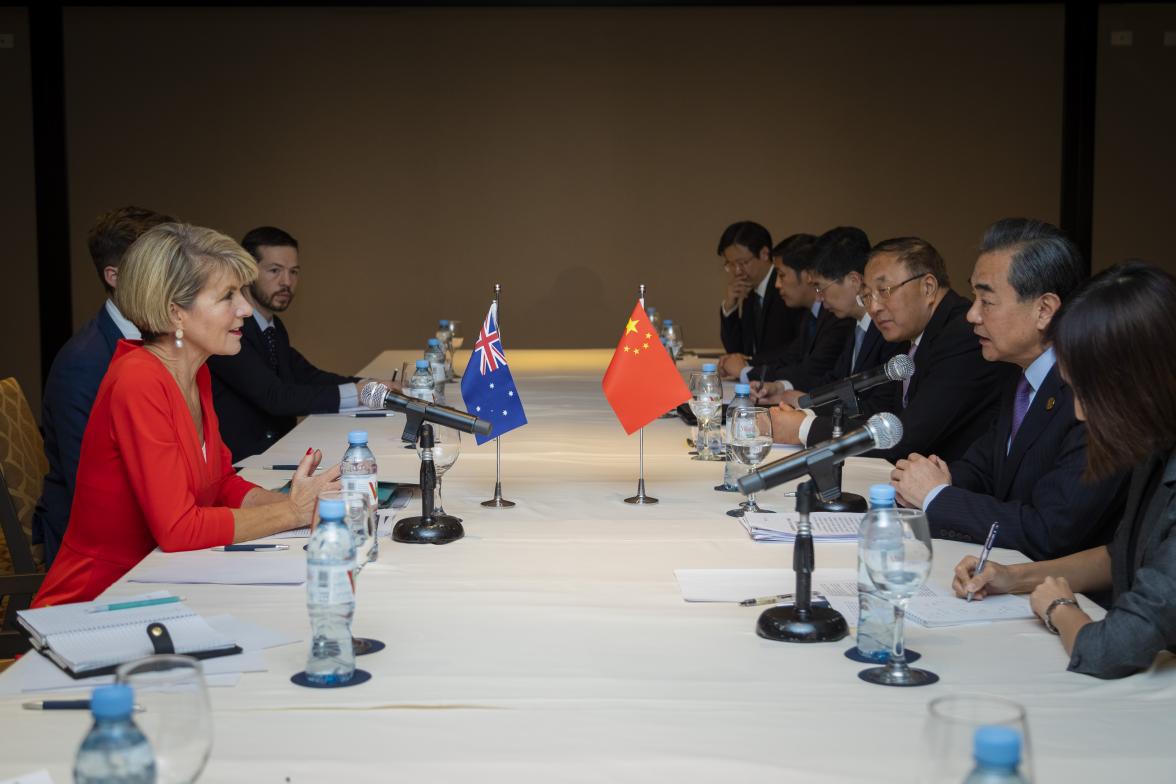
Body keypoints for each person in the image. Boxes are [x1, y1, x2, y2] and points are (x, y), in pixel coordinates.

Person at [33, 223, 340, 607]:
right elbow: (178, 529)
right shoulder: (138, 380)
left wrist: (297, 503)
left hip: (166, 582)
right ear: (175, 312)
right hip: (103, 598)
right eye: (228, 296)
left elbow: (222, 483)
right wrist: (291, 513)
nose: (245, 308)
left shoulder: (195, 372)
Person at [954, 261, 1176, 679]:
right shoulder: (1157, 443)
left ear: (1138, 381)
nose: (1077, 410)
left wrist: (1060, 608)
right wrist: (1012, 577)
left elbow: (1112, 649)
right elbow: (1127, 553)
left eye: (1088, 392)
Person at [892, 219, 1127, 560]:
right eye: (973, 297)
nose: (971, 315)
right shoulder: (1020, 377)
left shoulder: (1092, 395)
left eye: (986, 301)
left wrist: (935, 497)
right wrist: (916, 484)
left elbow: (1049, 531)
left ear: (1044, 310)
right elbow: (982, 469)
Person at [768, 237, 1013, 460]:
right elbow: (883, 409)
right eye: (867, 296)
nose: (873, 307)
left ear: (927, 287)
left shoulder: (963, 336)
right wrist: (807, 417)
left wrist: (803, 429)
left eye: (883, 291)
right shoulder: (913, 334)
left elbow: (905, 436)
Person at [33, 206, 175, 567]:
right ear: (114, 276)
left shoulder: (168, 340)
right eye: (156, 267)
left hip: (155, 516)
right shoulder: (84, 362)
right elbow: (92, 485)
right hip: (96, 545)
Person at [207, 226, 394, 462]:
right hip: (247, 463)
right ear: (247, 273)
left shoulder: (273, 327)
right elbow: (275, 397)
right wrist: (359, 393)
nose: (286, 281)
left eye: (294, 272)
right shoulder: (230, 330)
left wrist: (371, 386)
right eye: (275, 270)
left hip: (280, 450)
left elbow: (308, 375)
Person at [750, 226, 902, 435]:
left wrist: (805, 418)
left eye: (821, 288)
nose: (819, 298)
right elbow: (834, 381)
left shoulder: (889, 332)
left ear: (854, 281)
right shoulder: (856, 324)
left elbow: (877, 408)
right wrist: (790, 394)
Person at [729, 230, 853, 388]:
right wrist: (747, 362)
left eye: (781, 275)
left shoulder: (838, 316)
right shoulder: (812, 314)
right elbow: (789, 357)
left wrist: (746, 371)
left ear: (809, 275)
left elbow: (811, 370)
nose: (777, 285)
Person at [716, 221, 806, 378]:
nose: (737, 271)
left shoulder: (789, 289)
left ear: (764, 254)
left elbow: (798, 346)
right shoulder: (751, 292)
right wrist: (730, 305)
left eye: (742, 263)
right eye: (730, 264)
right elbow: (737, 350)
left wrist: (750, 361)